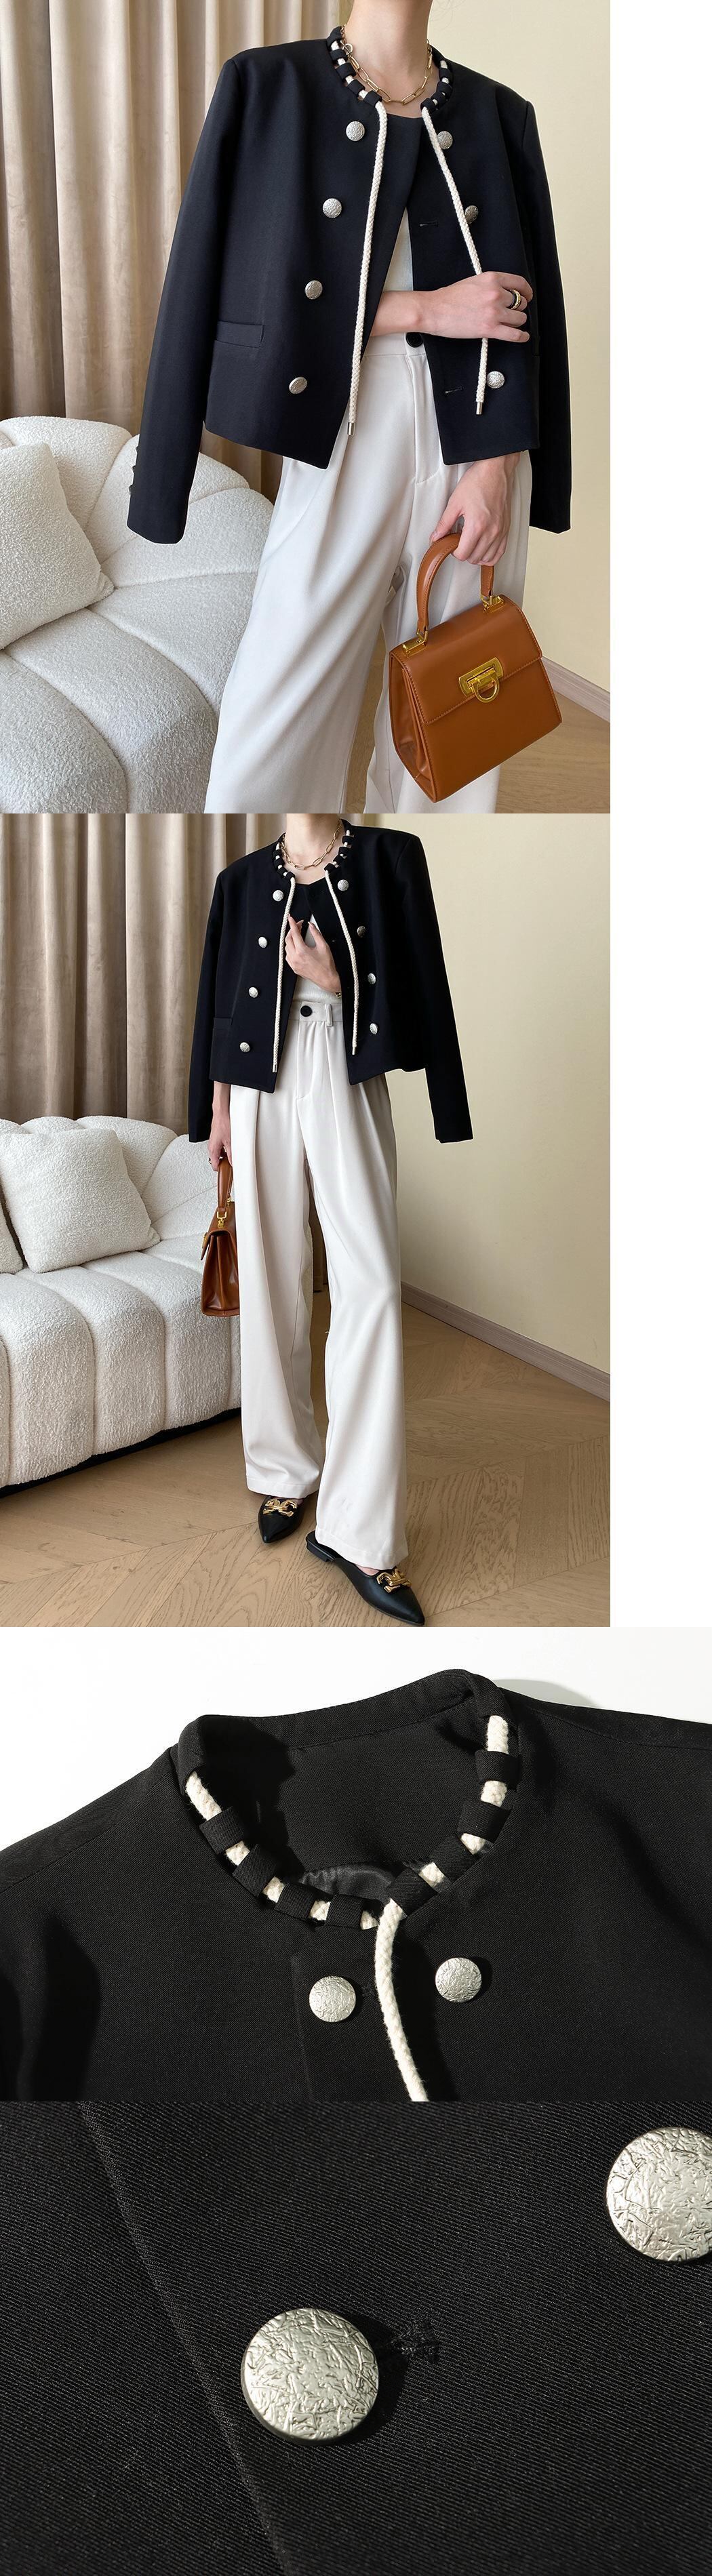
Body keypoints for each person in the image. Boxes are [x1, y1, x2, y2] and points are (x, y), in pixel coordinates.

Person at [128, 5, 570, 813]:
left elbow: (524, 311)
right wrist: (427, 309)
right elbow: (215, 290)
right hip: (345, 421)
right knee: (274, 718)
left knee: (460, 731)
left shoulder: (499, 113)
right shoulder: (268, 87)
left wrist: (497, 469)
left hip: (480, 435)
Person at [189, 816, 472, 1623]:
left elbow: (423, 987)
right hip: (256, 1087)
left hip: (345, 1068)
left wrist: (338, 977)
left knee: (372, 1287)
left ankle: (361, 1532)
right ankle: (284, 1471)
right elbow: (218, 1002)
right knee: (272, 1278)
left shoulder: (392, 856)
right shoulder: (240, 880)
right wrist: (216, 1110)